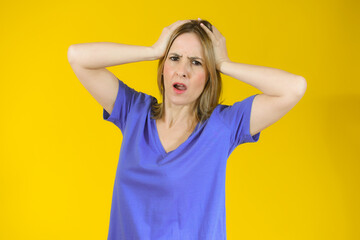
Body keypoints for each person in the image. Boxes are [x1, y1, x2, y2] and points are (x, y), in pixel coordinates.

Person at [68, 18, 306, 240]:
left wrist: (224, 63)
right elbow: (77, 56)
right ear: (162, 68)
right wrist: (153, 50)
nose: (182, 70)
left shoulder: (222, 126)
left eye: (196, 62)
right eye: (174, 58)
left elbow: (294, 87)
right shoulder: (134, 111)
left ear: (209, 76)